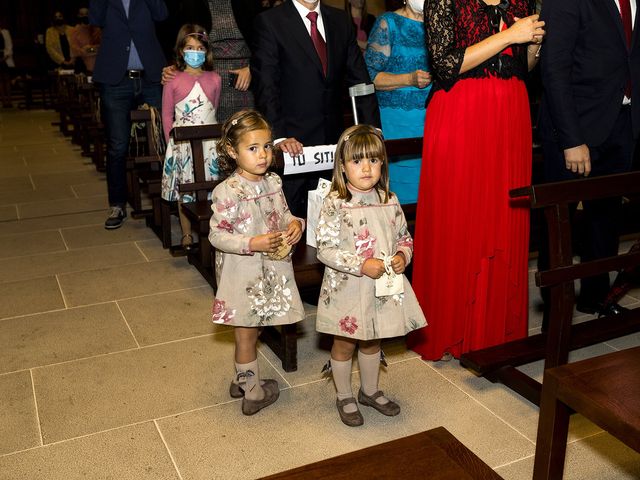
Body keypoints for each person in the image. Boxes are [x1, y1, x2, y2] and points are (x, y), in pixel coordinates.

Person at [407, 0, 545, 361]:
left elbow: (521, 67)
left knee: (504, 217)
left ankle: (495, 330)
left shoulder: (523, 0)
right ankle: (451, 327)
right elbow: (446, 64)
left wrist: (531, 47)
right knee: (461, 217)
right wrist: (511, 35)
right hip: (462, 113)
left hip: (511, 113)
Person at [315, 125, 427, 426]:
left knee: (372, 340)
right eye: (357, 161)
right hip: (347, 288)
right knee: (345, 343)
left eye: (374, 160)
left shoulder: (389, 199)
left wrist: (404, 255)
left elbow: (404, 236)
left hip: (381, 289)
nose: (366, 168)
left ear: (382, 164)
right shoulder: (335, 203)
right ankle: (344, 395)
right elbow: (324, 249)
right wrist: (361, 264)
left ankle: (369, 390)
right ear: (342, 165)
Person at [537, 0, 640, 322]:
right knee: (559, 224)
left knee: (606, 220)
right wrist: (572, 140)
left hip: (624, 123)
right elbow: (554, 67)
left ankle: (596, 299)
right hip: (574, 127)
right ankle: (556, 313)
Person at [208, 109, 305, 415]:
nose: (263, 155)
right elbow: (217, 236)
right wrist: (253, 242)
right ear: (231, 151)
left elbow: (284, 214)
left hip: (270, 272)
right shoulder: (228, 191)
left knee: (257, 326)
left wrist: (295, 225)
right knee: (246, 333)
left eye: (266, 146)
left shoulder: (273, 182)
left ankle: (242, 378)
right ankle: (253, 394)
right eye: (252, 148)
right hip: (243, 274)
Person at [251, 0, 380, 217]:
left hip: (334, 144)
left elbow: (360, 82)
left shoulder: (340, 20)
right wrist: (279, 137)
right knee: (293, 224)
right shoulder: (270, 22)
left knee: (336, 218)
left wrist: (372, 131)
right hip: (293, 146)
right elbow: (266, 86)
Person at [90, 0, 168, 229]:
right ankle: (117, 203)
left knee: (163, 138)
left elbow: (162, 14)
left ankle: (170, 196)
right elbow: (95, 18)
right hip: (116, 80)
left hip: (151, 77)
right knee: (117, 145)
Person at [364, 0, 431, 204]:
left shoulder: (439, 25)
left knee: (430, 195)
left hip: (431, 119)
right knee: (401, 196)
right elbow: (369, 77)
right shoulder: (388, 23)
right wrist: (408, 79)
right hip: (397, 123)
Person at [161, 24, 222, 251]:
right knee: (185, 188)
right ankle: (187, 232)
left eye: (199, 48)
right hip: (183, 145)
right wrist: (173, 142)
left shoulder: (214, 78)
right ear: (181, 51)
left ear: (206, 52)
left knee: (212, 186)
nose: (194, 52)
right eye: (189, 47)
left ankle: (213, 228)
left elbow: (213, 109)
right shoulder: (173, 79)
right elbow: (167, 113)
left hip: (209, 145)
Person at [161, 0, 264, 122]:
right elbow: (183, 41)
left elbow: (265, 44)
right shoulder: (191, 4)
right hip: (208, 82)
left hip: (246, 83)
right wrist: (174, 68)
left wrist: (252, 68)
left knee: (248, 132)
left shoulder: (250, 3)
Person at [70, 7, 101, 73]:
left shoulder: (97, 29)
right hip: (84, 69)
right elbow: (75, 51)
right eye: (82, 14)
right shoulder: (75, 31)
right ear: (78, 16)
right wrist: (91, 50)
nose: (85, 16)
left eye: (87, 14)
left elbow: (102, 47)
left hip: (100, 67)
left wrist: (89, 49)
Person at [0, 21, 15, 108]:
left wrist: (5, 57)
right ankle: (3, 101)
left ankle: (9, 100)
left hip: (5, 57)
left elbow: (9, 46)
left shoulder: (5, 32)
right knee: (0, 81)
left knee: (7, 79)